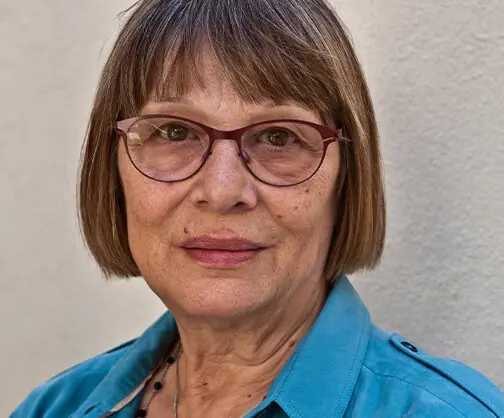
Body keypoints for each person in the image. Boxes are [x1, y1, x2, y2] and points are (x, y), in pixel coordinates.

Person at [11, 0, 504, 417]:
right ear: (113, 171)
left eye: (279, 137)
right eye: (175, 132)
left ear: (346, 181)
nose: (222, 190)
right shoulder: (53, 407)